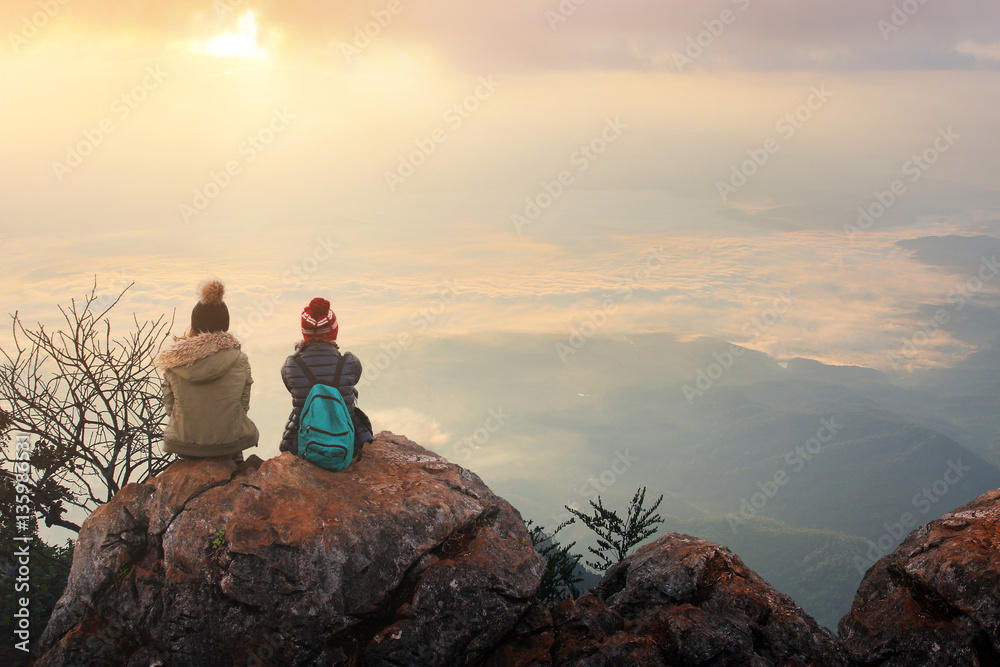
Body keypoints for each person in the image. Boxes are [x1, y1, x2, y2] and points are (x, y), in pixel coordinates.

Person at [155, 280, 259, 459]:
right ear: (224, 325)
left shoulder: (175, 362)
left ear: (195, 325)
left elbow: (170, 407)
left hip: (186, 446)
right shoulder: (239, 360)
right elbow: (243, 405)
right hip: (229, 445)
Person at [280, 297, 374, 459]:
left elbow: (290, 386)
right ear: (333, 331)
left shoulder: (291, 365)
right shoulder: (350, 363)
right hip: (346, 441)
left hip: (305, 441)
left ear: (305, 333)